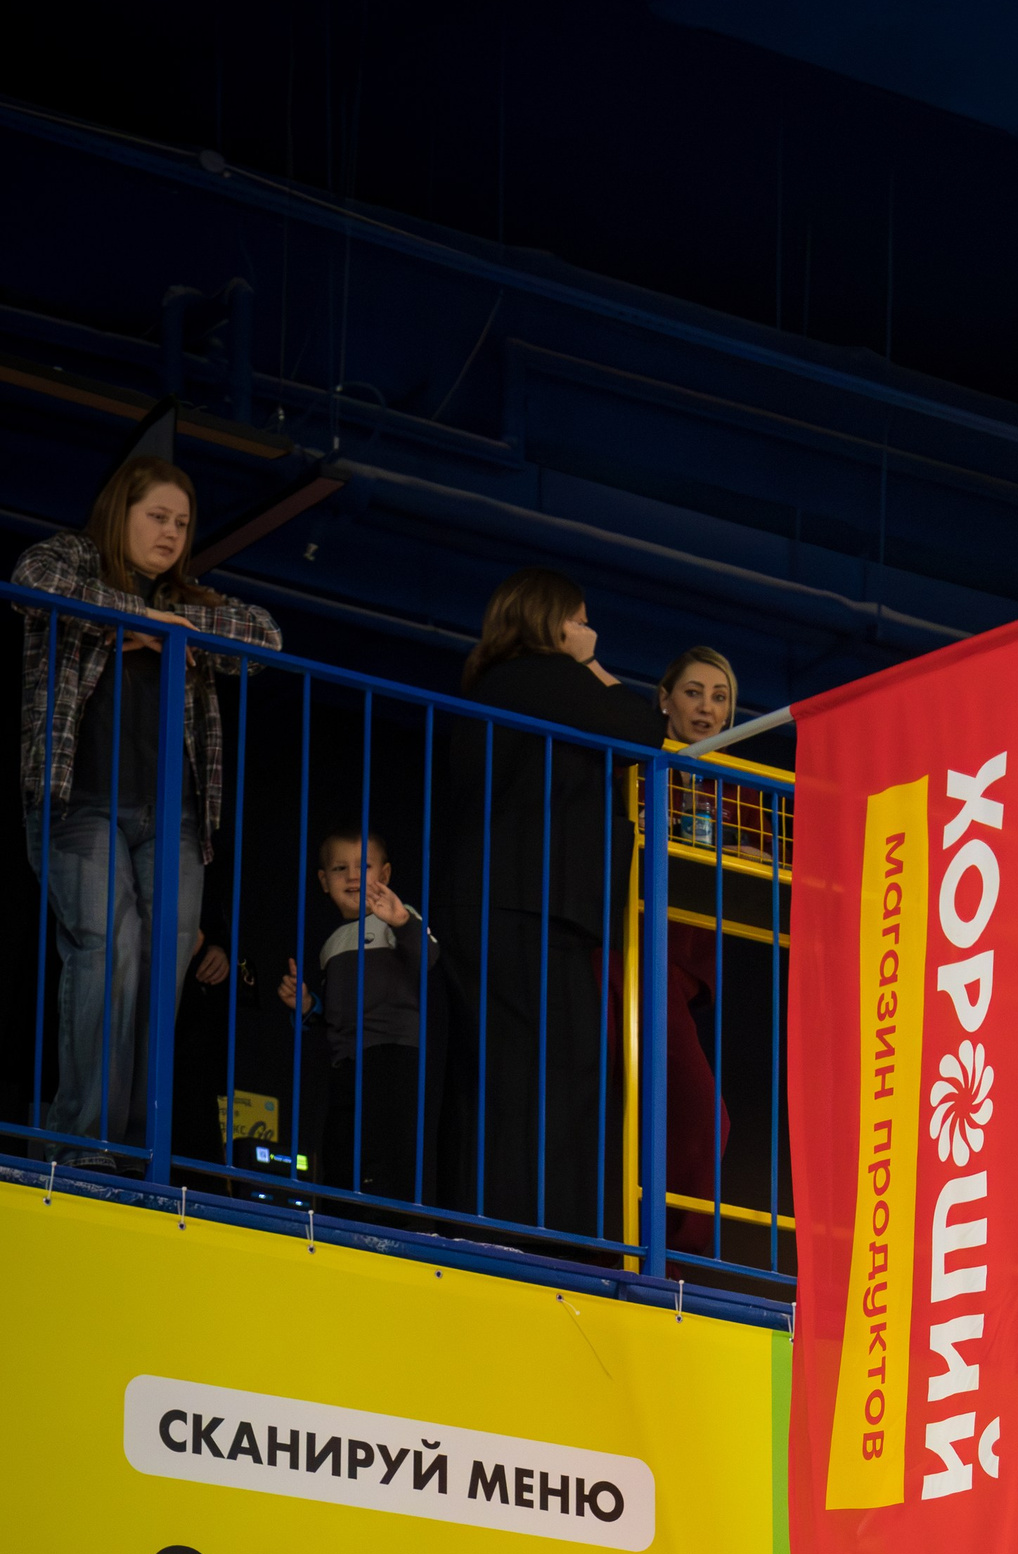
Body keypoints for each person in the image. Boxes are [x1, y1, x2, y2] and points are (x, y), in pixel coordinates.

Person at [14, 457, 280, 1159]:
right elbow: (32, 580)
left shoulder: (187, 597)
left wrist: (169, 626)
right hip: (81, 805)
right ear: (120, 513)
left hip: (173, 818)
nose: (170, 533)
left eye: (182, 524)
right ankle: (83, 1141)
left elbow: (265, 637)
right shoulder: (74, 560)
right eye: (157, 517)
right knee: (111, 951)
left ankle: (134, 1147)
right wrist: (133, 616)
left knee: (163, 968)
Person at [446, 569, 640, 1239]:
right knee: (563, 1072)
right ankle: (540, 1235)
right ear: (552, 622)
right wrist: (590, 663)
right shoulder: (549, 677)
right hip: (534, 907)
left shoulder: (495, 680)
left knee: (503, 1074)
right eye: (579, 620)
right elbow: (642, 727)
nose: (590, 631)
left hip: (492, 901)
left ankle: (494, 1226)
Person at [279, 829, 439, 1206]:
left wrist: (402, 920)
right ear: (323, 881)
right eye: (340, 868)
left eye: (363, 867)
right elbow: (331, 1018)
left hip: (392, 1055)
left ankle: (392, 1219)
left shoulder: (397, 918)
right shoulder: (331, 944)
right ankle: (342, 1216)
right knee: (342, 1148)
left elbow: (429, 958)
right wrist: (307, 1006)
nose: (352, 877)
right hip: (345, 1063)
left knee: (389, 1151)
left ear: (384, 875)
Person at [652, 645, 742, 1252]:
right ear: (664, 700)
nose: (707, 708)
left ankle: (661, 1260)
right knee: (700, 1116)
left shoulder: (737, 788)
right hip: (630, 958)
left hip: (682, 977)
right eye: (692, 692)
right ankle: (665, 1262)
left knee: (686, 1119)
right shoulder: (639, 764)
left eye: (720, 697)